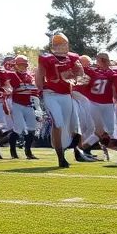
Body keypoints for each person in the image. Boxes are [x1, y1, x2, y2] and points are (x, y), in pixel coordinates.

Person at [38, 33, 83, 168]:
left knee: (64, 125)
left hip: (65, 94)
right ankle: (60, 157)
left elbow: (80, 74)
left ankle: (63, 149)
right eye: (58, 44)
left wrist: (75, 72)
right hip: (50, 93)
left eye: (64, 44)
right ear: (53, 45)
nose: (62, 47)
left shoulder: (73, 57)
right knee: (58, 122)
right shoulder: (46, 58)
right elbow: (39, 74)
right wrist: (40, 91)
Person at [3, 56, 39, 159]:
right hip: (16, 103)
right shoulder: (12, 75)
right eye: (20, 64)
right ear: (15, 65)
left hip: (28, 104)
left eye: (25, 64)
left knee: (32, 127)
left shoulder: (30, 76)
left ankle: (28, 151)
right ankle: (13, 151)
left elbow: (35, 89)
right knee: (18, 128)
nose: (23, 67)